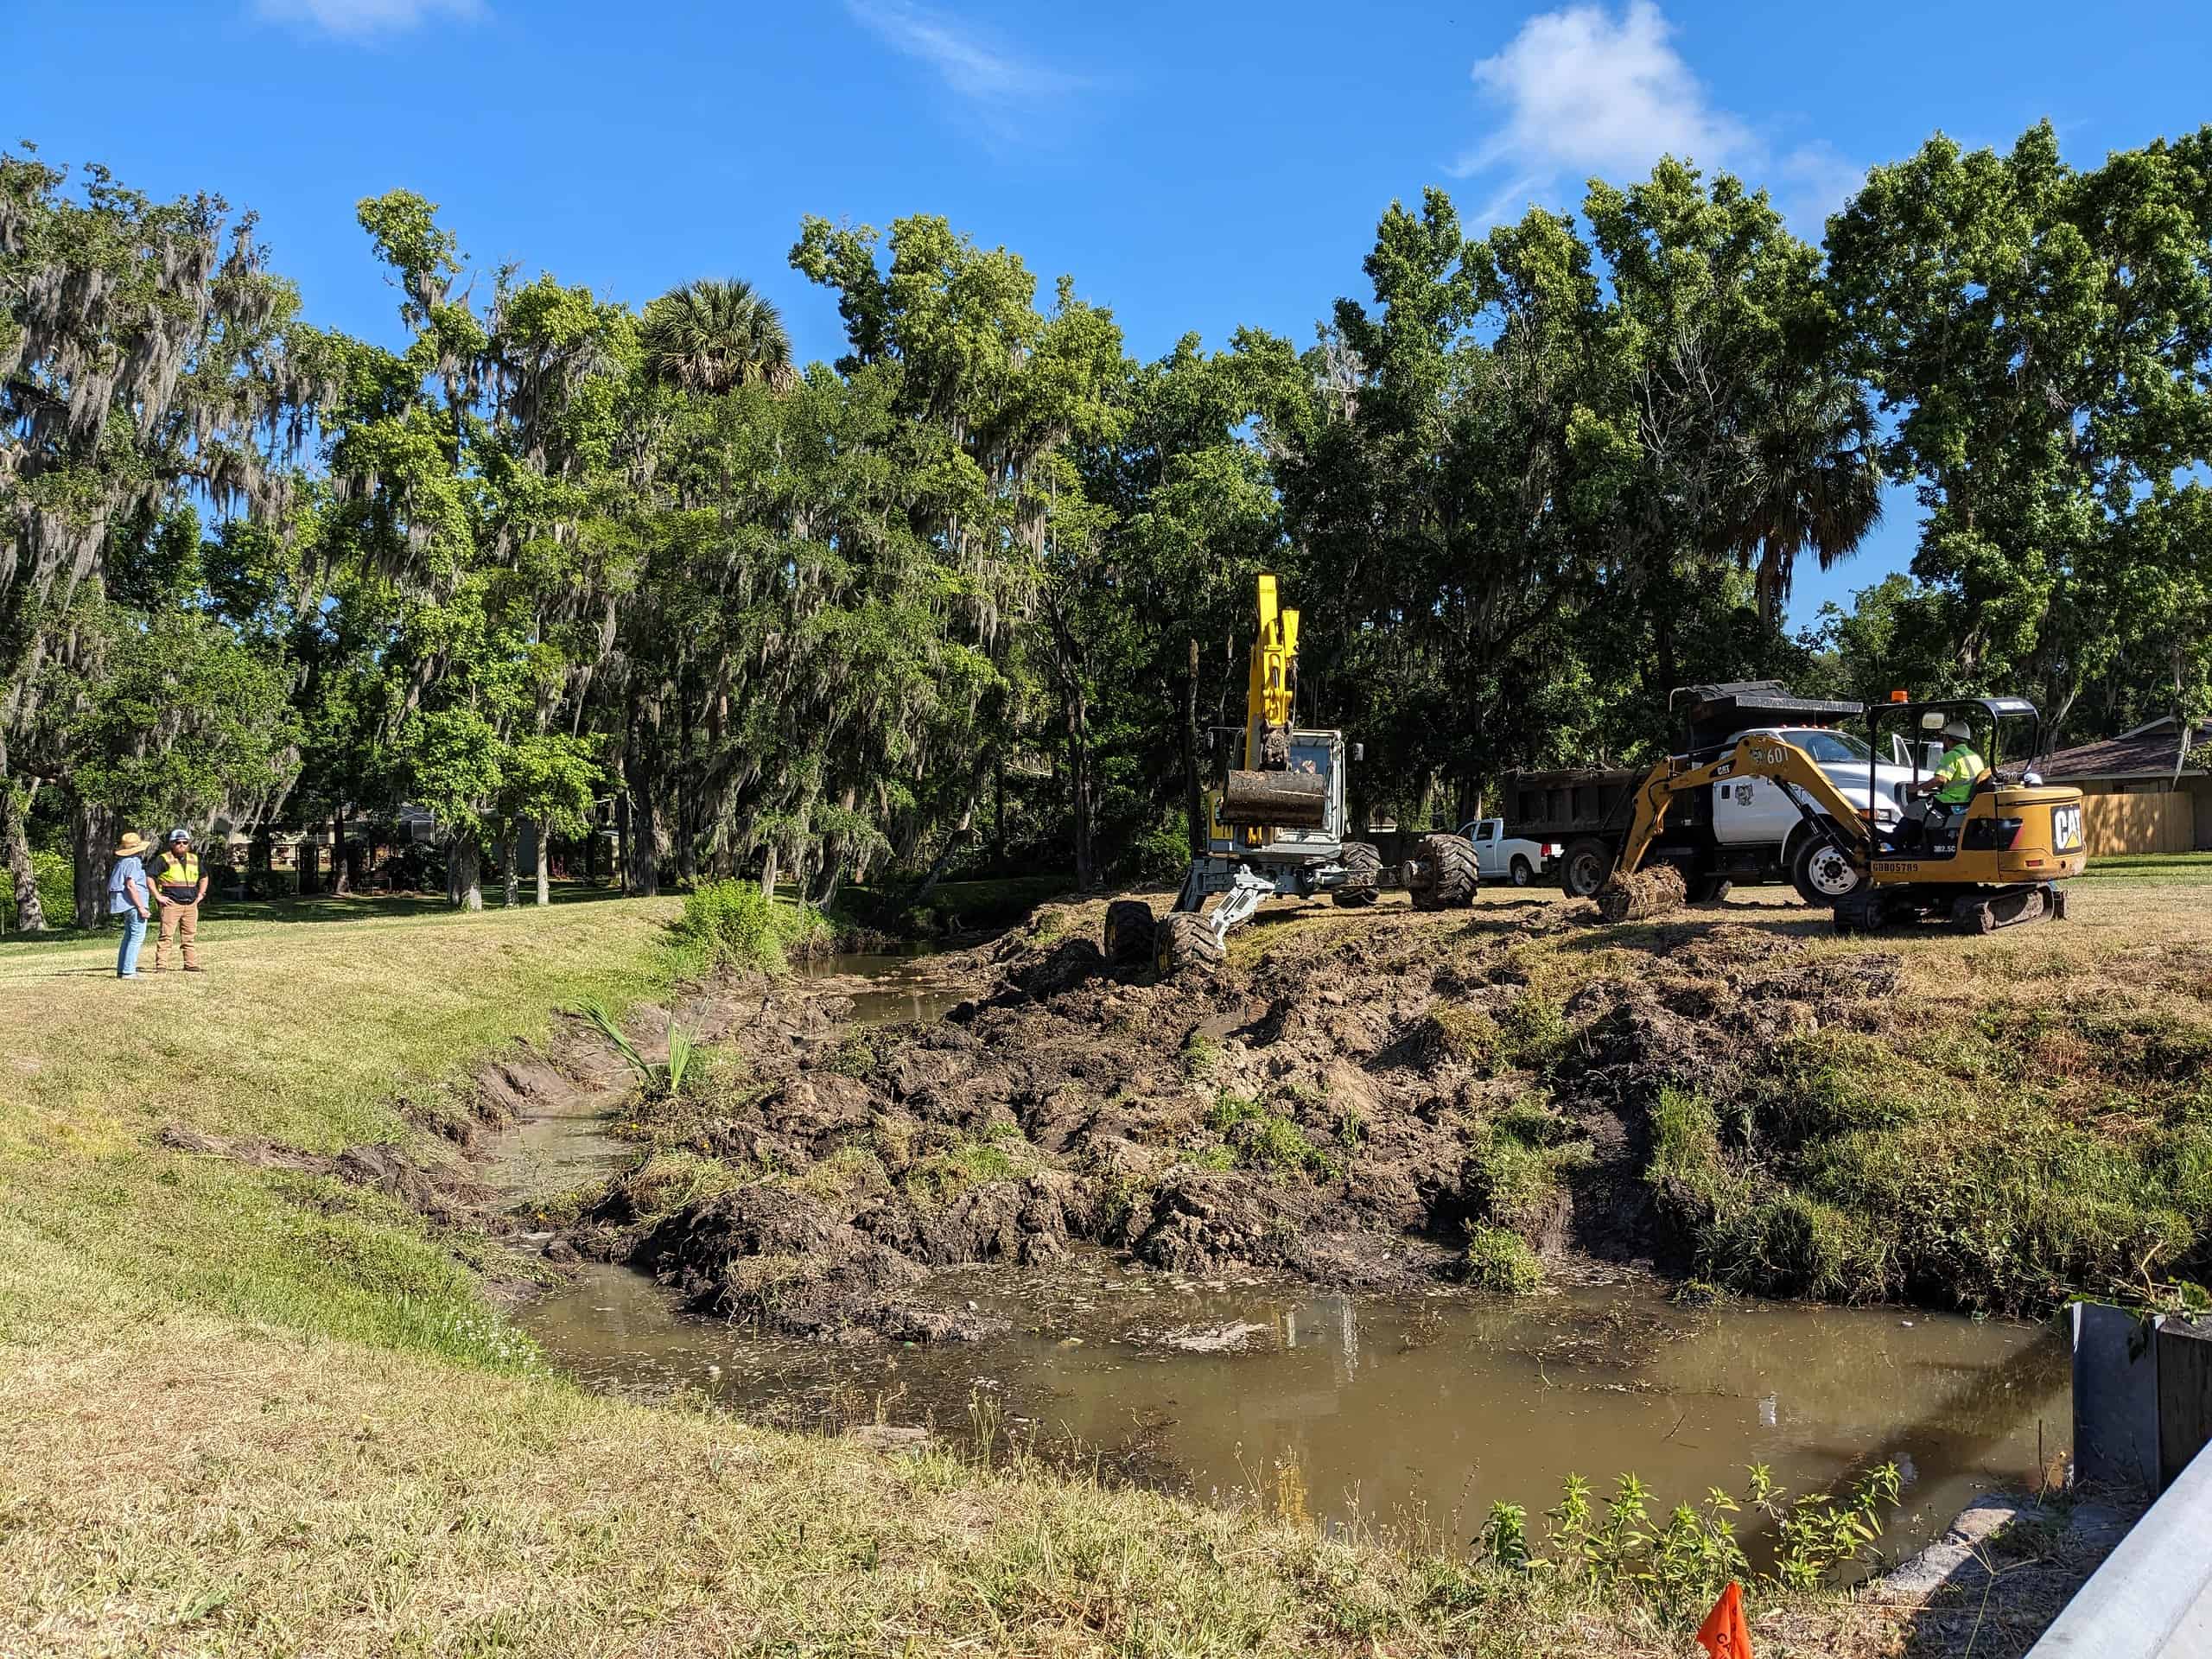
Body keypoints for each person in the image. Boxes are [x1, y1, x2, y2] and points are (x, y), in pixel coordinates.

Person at [1910, 718, 1988, 840]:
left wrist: (1918, 788)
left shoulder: (1951, 756)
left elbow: (1940, 779)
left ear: (1948, 739)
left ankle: (1902, 841)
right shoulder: (1975, 757)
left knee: (1915, 810)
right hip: (1969, 803)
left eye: (1944, 738)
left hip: (1951, 803)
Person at [152, 826, 209, 971]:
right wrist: (158, 896)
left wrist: (201, 894)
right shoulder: (163, 859)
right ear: (171, 844)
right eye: (178, 842)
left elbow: (204, 877)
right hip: (171, 904)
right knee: (166, 937)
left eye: (185, 842)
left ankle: (190, 964)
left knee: (189, 937)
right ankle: (161, 966)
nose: (182, 845)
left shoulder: (194, 859)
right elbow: (149, 877)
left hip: (191, 904)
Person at [107, 830, 152, 979]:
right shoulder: (134, 862)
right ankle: (128, 971)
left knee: (128, 936)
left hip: (125, 904)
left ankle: (123, 970)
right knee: (137, 937)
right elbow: (131, 885)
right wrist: (141, 907)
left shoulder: (122, 862)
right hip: (133, 904)